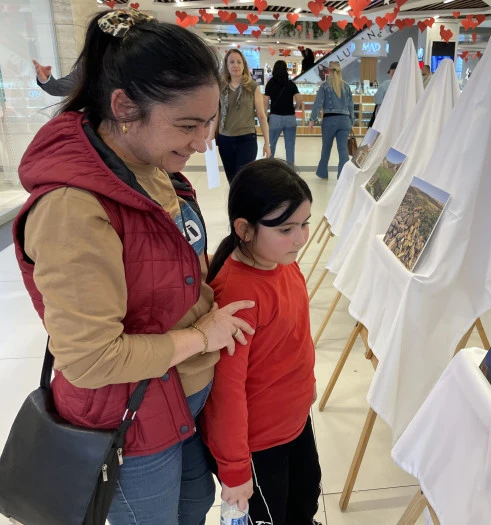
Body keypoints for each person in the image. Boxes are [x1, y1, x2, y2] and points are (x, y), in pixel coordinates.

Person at [13, 8, 256, 524]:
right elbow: (90, 359)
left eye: (209, 122)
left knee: (192, 508)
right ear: (124, 106)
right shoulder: (73, 208)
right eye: (187, 125)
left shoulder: (148, 164)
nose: (202, 142)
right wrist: (201, 337)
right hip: (130, 422)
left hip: (178, 405)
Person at [201, 158, 322, 525]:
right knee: (271, 514)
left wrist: (307, 384)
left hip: (294, 420)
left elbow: (294, 337)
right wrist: (235, 469)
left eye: (304, 224)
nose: (300, 238)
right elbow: (225, 392)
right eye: (286, 228)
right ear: (245, 229)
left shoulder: (284, 262)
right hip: (256, 441)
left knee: (305, 496)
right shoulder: (236, 295)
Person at [213, 49, 271, 183]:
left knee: (244, 180)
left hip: (246, 140)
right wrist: (210, 136)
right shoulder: (221, 86)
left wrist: (267, 144)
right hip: (225, 140)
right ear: (226, 66)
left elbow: (261, 116)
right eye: (232, 62)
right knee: (232, 180)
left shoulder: (252, 87)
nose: (235, 65)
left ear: (244, 65)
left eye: (239, 62)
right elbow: (216, 113)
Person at [308, 61, 354, 179]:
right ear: (340, 71)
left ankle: (322, 173)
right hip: (345, 121)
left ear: (328, 70)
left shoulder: (325, 86)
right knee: (343, 149)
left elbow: (318, 104)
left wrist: (312, 119)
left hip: (329, 121)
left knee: (326, 148)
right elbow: (351, 106)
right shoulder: (346, 86)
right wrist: (351, 121)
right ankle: (343, 176)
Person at [264, 60, 303, 165]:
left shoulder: (270, 83)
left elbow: (265, 102)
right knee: (290, 146)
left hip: (275, 117)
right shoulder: (290, 83)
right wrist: (294, 108)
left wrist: (265, 115)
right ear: (285, 70)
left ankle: (269, 168)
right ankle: (290, 169)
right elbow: (299, 99)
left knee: (271, 145)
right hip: (290, 118)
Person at [369, 61, 396, 127]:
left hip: (385, 115)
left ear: (392, 72)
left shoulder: (386, 84)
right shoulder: (407, 85)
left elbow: (377, 99)